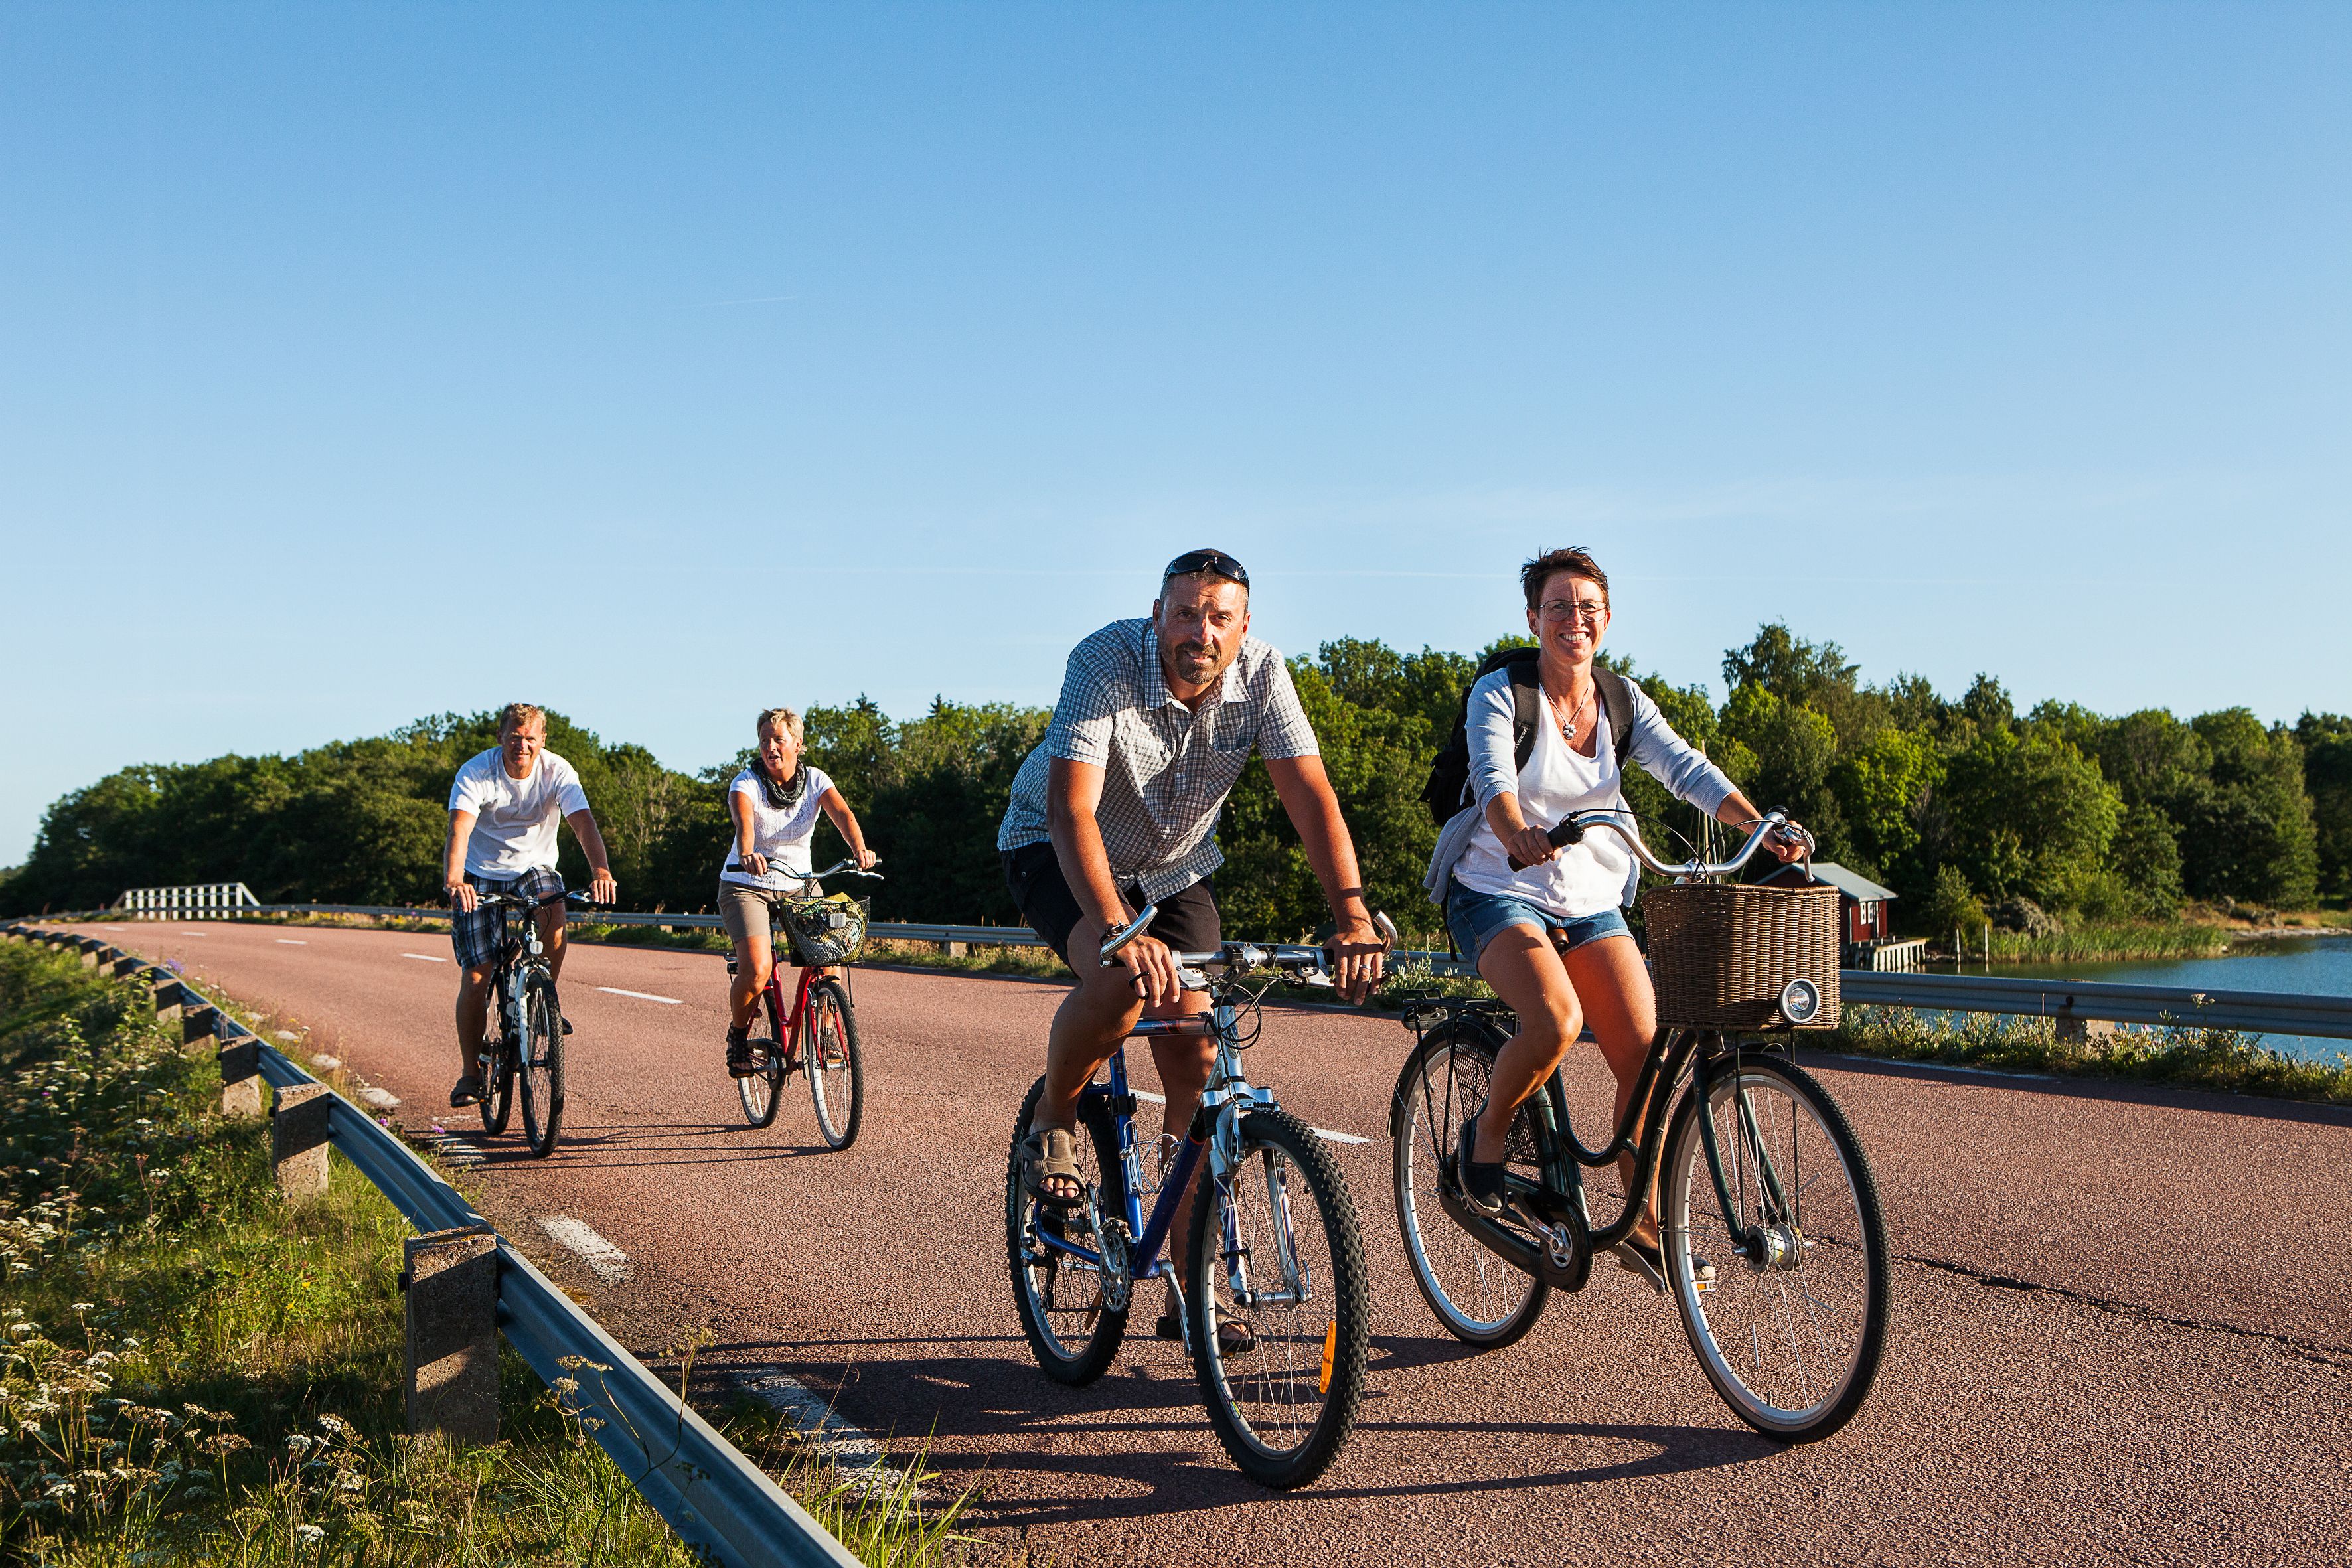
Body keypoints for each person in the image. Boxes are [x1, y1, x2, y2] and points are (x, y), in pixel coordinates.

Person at [999, 547, 1389, 1349]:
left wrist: (1350, 912)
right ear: (1158, 614)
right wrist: (1114, 924)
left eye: (1219, 617)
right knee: (1122, 983)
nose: (1200, 632)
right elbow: (1073, 806)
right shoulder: (1104, 662)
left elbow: (1309, 793)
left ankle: (1191, 1288)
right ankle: (1056, 1116)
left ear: (1244, 627)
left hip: (1174, 867)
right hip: (1058, 846)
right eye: (1185, 612)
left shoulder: (1265, 677)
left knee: (1193, 1055)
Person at [1427, 546, 1805, 1287]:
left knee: (1646, 1055)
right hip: (1497, 886)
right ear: (1533, 618)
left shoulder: (1622, 699)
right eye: (1559, 607)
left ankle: (1639, 1222)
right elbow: (1495, 781)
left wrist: (1757, 825)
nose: (1575, 620)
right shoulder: (1503, 694)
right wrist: (1516, 835)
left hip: (1591, 893)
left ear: (1607, 619)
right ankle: (1488, 1138)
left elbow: (1686, 768)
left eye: (1588, 608)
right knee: (1556, 1023)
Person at [443, 703, 618, 1108]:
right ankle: (471, 1073)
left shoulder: (558, 772)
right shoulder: (476, 772)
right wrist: (455, 880)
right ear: (501, 737)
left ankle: (541, 1003)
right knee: (476, 977)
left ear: (543, 741)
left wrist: (602, 871)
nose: (522, 746)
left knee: (555, 917)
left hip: (533, 868)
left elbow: (582, 822)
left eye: (531, 739)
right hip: (480, 873)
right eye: (515, 737)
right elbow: (460, 826)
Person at [719, 707, 878, 1076]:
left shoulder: (817, 780)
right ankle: (739, 1036)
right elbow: (744, 821)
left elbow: (844, 815)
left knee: (831, 954)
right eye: (764, 741)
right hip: (747, 884)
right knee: (757, 970)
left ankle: (824, 1034)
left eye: (778, 739)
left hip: (799, 883)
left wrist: (860, 849)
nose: (770, 747)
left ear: (798, 744)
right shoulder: (746, 783)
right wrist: (747, 853)